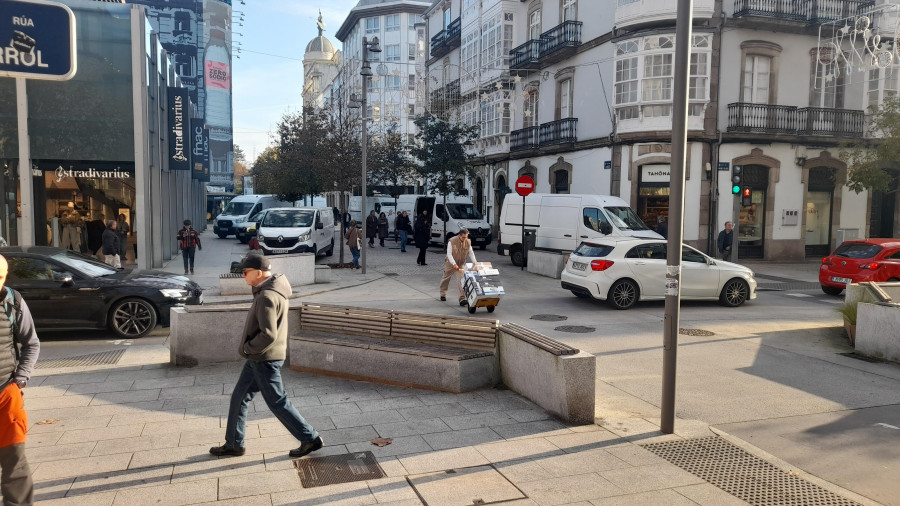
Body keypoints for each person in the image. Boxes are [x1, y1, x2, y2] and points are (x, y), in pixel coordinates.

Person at [210, 255, 324, 459]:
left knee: (277, 402)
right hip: (260, 358)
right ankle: (234, 443)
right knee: (239, 397)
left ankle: (310, 437)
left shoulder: (266, 296)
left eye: (246, 272)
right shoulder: (273, 291)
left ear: (259, 272)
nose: (243, 276)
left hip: (264, 358)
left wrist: (247, 348)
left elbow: (268, 334)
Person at [0, 254, 40, 505]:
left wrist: (20, 379)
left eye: (0, 276)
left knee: (15, 463)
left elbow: (31, 343)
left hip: (6, 394)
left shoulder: (12, 301)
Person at [440, 228, 477, 305]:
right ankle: (442, 294)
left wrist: (475, 262)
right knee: (445, 279)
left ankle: (462, 299)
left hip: (461, 264)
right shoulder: (452, 241)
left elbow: (471, 253)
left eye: (466, 237)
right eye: (463, 237)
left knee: (461, 281)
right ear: (459, 235)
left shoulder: (468, 242)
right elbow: (449, 254)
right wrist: (454, 264)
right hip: (450, 263)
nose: (465, 238)